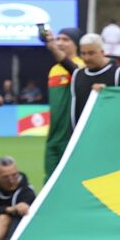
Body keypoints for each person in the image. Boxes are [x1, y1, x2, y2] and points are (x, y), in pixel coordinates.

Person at [39, 27, 84, 176]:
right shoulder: (53, 70)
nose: (60, 43)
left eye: (66, 39)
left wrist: (53, 49)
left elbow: (75, 71)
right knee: (50, 177)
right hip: (54, 134)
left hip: (70, 133)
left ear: (76, 44)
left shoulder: (81, 65)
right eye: (58, 39)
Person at [70, 34, 120, 129]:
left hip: (111, 133)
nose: (86, 58)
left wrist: (108, 93)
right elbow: (74, 112)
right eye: (83, 53)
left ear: (102, 52)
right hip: (83, 137)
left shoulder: (119, 74)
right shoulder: (77, 75)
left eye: (91, 53)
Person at [0, 156, 35, 240]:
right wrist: (8, 209)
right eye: (5, 177)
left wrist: (21, 207)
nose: (11, 180)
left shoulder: (26, 191)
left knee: (4, 218)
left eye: (14, 175)